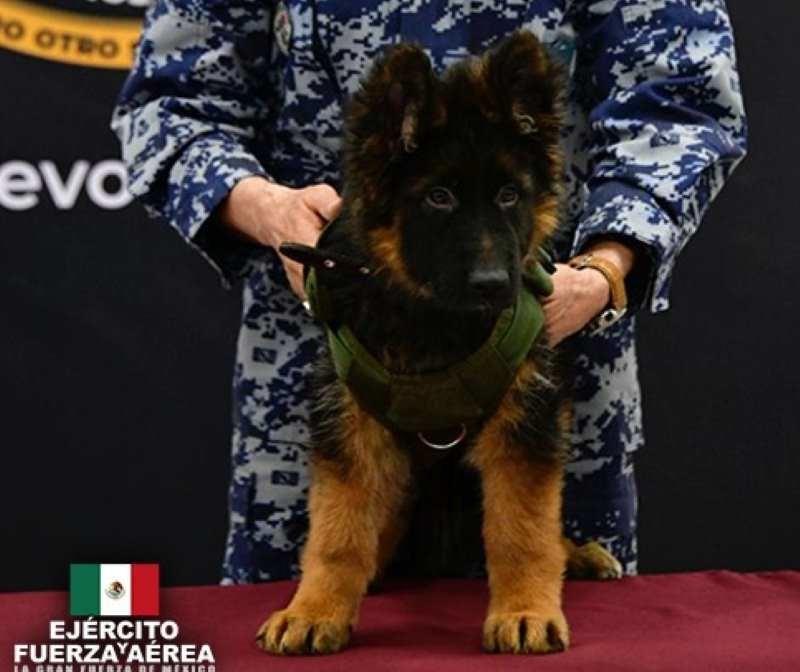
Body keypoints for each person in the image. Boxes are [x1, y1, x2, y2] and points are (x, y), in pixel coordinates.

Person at [112, 0, 747, 582]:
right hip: (327, 371)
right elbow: (171, 104)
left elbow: (683, 100)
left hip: (546, 349)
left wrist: (607, 267)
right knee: (311, 631)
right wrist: (267, 210)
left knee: (540, 628)